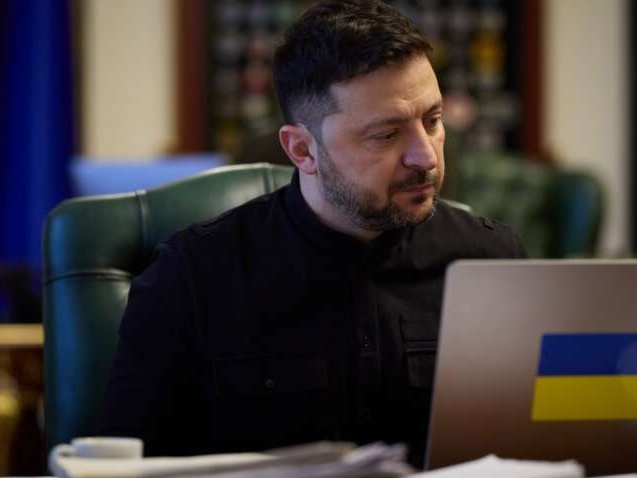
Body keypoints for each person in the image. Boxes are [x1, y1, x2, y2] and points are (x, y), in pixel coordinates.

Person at [99, 0, 527, 467]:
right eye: (386, 135)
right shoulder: (191, 278)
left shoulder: (492, 262)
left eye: (433, 121)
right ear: (302, 149)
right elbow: (122, 468)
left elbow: (535, 449)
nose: (425, 156)